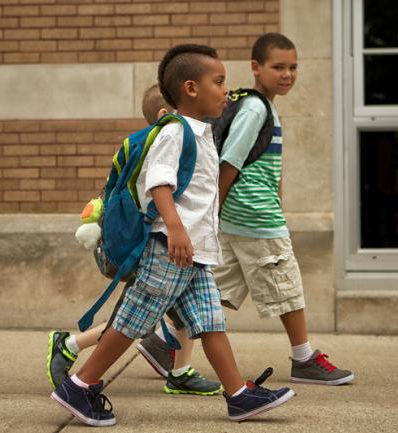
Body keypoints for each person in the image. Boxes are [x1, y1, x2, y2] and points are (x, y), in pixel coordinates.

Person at [50, 44, 295, 427]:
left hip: (193, 254)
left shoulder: (202, 132)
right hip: (169, 249)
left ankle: (239, 396)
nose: (226, 91)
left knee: (211, 321)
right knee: (131, 322)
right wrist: (176, 229)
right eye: (219, 82)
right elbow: (158, 183)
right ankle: (80, 385)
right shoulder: (175, 132)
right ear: (191, 88)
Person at [47, 84, 222, 397]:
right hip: (151, 245)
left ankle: (180, 371)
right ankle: (71, 346)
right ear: (165, 114)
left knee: (175, 315)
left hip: (167, 244)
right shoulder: (164, 141)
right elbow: (155, 192)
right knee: (133, 318)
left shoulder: (168, 140)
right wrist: (175, 228)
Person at [215, 33, 354, 386]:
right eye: (278, 67)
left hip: (241, 213)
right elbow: (230, 159)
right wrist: (213, 206)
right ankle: (304, 358)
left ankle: (162, 343)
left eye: (293, 67)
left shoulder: (264, 105)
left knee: (217, 291)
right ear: (256, 68)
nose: (287, 74)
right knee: (286, 284)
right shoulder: (255, 107)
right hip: (254, 214)